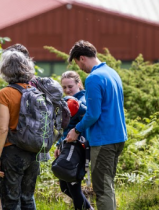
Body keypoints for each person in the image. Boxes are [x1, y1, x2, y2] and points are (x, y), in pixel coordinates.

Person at [65, 40, 127, 210]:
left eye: (78, 63)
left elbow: (93, 114)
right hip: (118, 136)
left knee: (102, 189)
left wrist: (76, 130)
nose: (80, 68)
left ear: (82, 58)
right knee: (108, 185)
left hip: (103, 140)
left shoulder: (93, 78)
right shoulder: (112, 73)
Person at [0, 50, 39, 210]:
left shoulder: (5, 93)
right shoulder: (36, 91)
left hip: (12, 154)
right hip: (33, 153)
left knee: (11, 201)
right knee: (27, 198)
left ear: (5, 69)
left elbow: (3, 128)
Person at [54, 70, 92, 210]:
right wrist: (59, 146)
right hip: (67, 147)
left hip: (78, 149)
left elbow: (88, 114)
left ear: (79, 84)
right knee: (65, 187)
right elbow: (65, 128)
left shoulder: (82, 99)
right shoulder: (67, 101)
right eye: (64, 87)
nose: (67, 90)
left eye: (70, 86)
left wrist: (75, 103)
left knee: (74, 189)